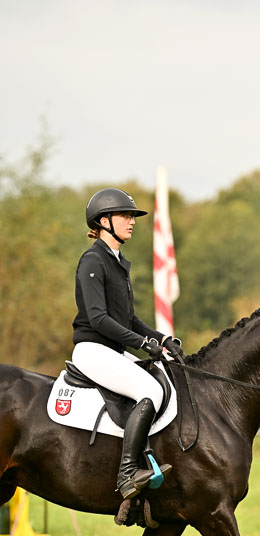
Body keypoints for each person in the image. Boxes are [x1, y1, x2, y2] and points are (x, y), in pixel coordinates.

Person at [72, 188, 178, 500]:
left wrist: (162, 339)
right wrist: (144, 344)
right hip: (93, 350)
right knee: (151, 391)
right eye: (125, 216)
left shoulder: (117, 261)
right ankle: (128, 473)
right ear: (104, 221)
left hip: (112, 351)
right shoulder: (93, 260)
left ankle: (147, 462)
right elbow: (98, 319)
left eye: (132, 216)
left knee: (164, 378)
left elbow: (128, 319)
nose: (131, 222)